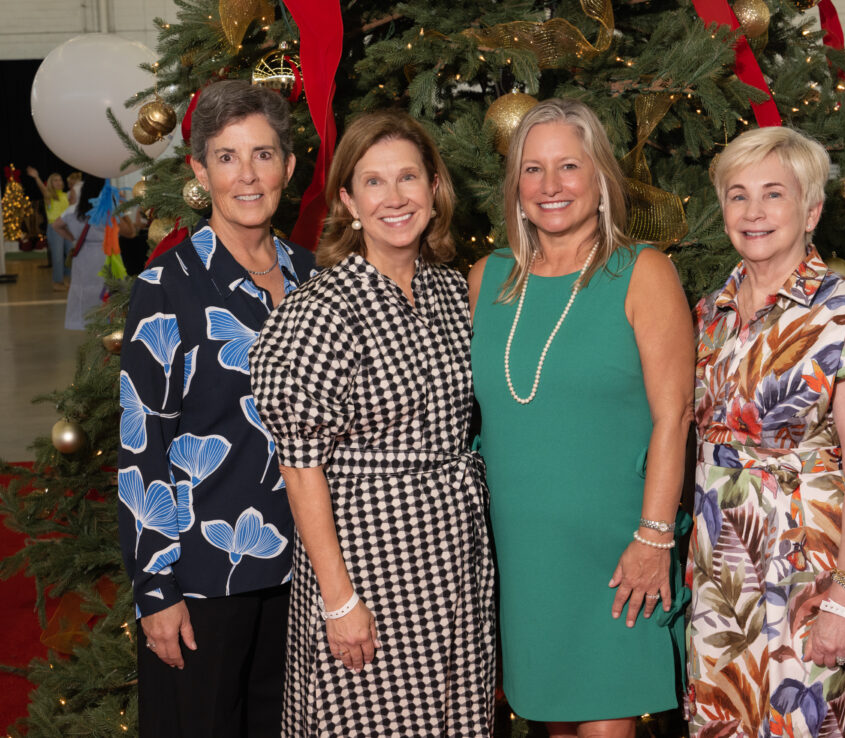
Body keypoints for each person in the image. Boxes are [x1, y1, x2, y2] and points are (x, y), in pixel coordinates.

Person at [249, 109, 495, 737]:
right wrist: (339, 599)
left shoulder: (447, 291)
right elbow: (300, 468)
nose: (395, 198)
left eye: (408, 178)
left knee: (453, 718)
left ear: (434, 189)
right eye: (374, 182)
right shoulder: (322, 308)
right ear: (348, 201)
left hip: (454, 556)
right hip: (368, 564)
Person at [468, 98, 694, 737]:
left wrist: (654, 539)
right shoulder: (488, 278)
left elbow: (673, 418)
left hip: (617, 555)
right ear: (515, 185)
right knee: (546, 722)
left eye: (569, 165)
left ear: (600, 180)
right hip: (522, 556)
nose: (550, 186)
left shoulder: (642, 271)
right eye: (533, 170)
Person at [685, 126, 845, 737]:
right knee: (726, 719)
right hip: (723, 568)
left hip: (812, 566)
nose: (753, 212)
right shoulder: (710, 310)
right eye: (737, 195)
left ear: (811, 210)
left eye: (773, 194)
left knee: (811, 722)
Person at [116, 79, 316, 737]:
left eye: (263, 154)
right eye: (228, 158)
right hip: (203, 579)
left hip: (306, 575)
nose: (249, 175)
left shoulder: (316, 278)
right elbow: (142, 447)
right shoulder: (165, 287)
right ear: (201, 171)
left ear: (289, 164)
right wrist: (156, 593)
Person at [52, 174, 134, 330]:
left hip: (82, 254)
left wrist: (72, 238)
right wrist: (121, 207)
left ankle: (84, 323)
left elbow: (56, 226)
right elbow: (130, 232)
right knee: (105, 289)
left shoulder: (72, 211)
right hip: (104, 254)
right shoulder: (107, 212)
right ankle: (106, 323)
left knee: (82, 289)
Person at [26, 166, 70, 290]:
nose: (59, 182)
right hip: (55, 229)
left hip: (67, 228)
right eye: (55, 180)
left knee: (70, 255)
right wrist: (36, 177)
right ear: (51, 183)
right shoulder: (49, 195)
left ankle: (66, 279)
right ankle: (57, 282)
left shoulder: (66, 195)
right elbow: (43, 189)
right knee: (57, 257)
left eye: (60, 180)